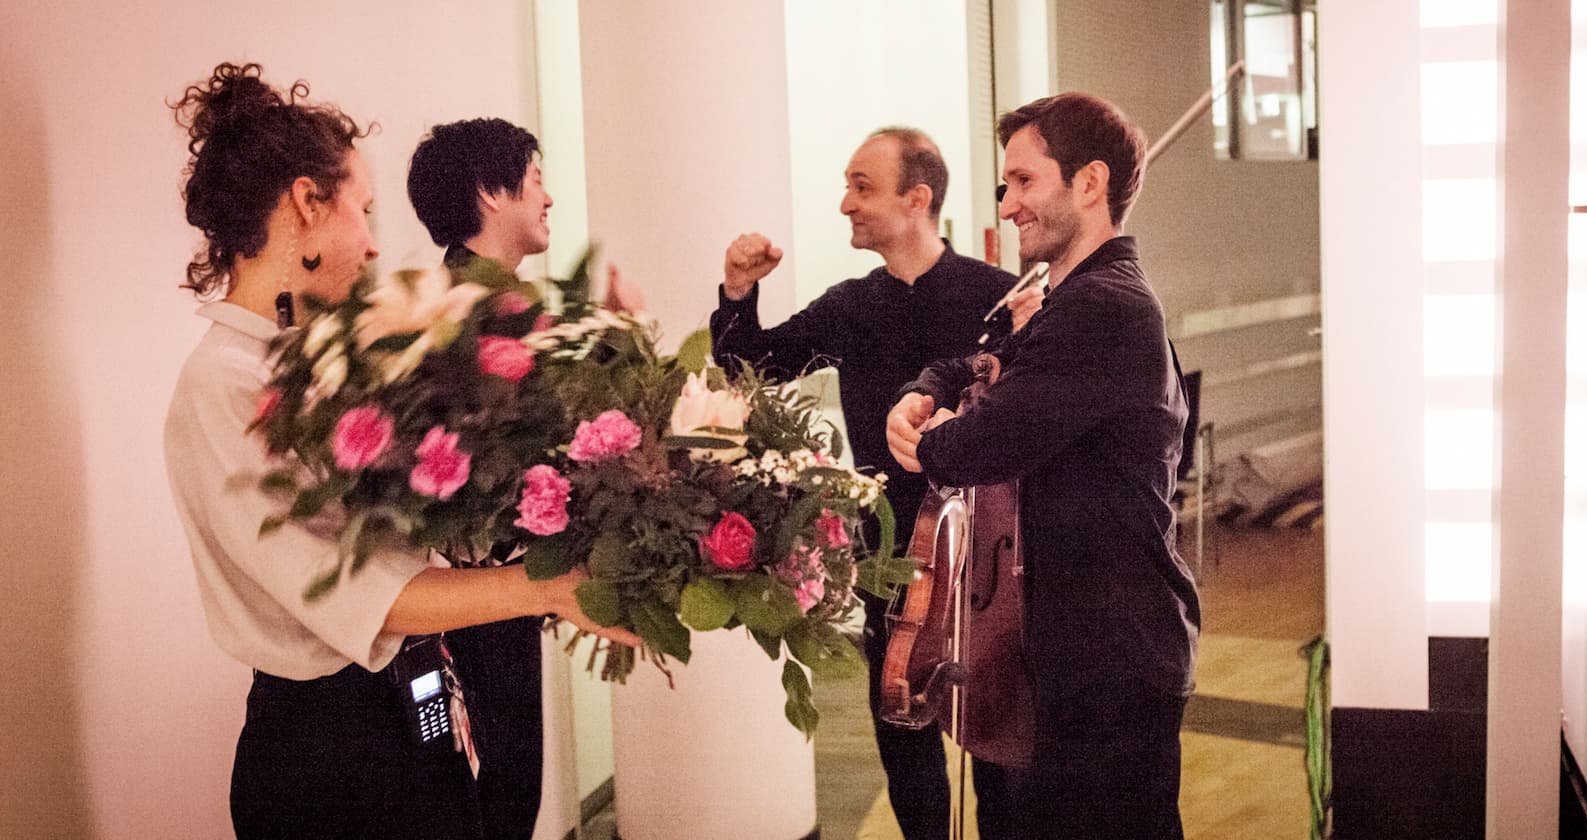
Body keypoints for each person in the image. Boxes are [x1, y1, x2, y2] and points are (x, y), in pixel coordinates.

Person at [162, 62, 637, 839]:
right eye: (365, 212)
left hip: (404, 715)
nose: (378, 248)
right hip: (329, 754)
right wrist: (550, 588)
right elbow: (363, 595)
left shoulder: (315, 360)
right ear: (306, 205)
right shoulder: (223, 386)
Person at [710, 126, 1039, 840]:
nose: (844, 204)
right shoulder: (848, 306)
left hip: (991, 560)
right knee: (905, 749)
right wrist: (738, 293)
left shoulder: (995, 299)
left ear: (916, 198)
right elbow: (750, 370)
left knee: (1003, 772)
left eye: (862, 186)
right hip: (888, 557)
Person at [886, 92, 1200, 838]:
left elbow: (985, 443)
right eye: (1006, 184)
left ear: (1089, 184)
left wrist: (924, 440)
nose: (1008, 202)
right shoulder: (1070, 298)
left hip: (1109, 660)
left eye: (1024, 181)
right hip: (1075, 655)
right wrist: (926, 391)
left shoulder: (1104, 305)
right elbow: (979, 361)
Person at [405, 116, 555, 840]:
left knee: (499, 792)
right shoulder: (467, 315)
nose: (548, 198)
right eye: (535, 180)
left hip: (492, 596)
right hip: (474, 602)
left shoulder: (477, 299)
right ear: (491, 194)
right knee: (501, 795)